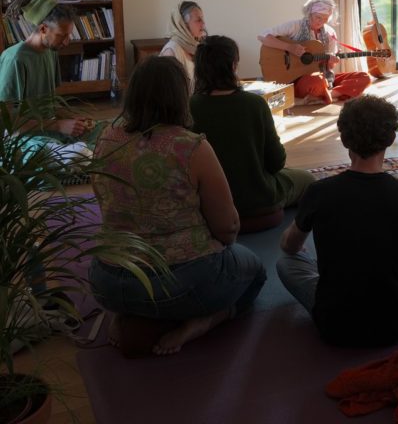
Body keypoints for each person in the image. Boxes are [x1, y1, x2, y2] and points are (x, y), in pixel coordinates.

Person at [88, 56, 266, 355]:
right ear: (180, 96)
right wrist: (219, 248)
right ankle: (205, 321)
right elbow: (228, 227)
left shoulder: (105, 137)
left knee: (140, 295)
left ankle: (124, 315)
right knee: (255, 272)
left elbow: (103, 200)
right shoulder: (191, 147)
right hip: (181, 283)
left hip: (107, 281)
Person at [276, 94, 398, 347]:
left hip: (333, 323)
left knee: (285, 262)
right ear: (391, 138)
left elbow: (289, 246)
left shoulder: (319, 192)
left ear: (344, 138)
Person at [190, 35, 316, 229]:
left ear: (198, 68)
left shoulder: (190, 107)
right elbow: (277, 162)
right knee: (308, 180)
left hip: (212, 210)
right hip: (261, 205)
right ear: (233, 66)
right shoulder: (255, 104)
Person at [0, 0, 97, 160]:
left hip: (50, 131)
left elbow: (49, 105)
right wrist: (58, 126)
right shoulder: (15, 59)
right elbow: (8, 122)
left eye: (68, 35)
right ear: (43, 29)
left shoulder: (50, 52)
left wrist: (72, 121)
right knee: (79, 155)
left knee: (107, 132)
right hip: (25, 139)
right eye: (62, 35)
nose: (66, 42)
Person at [258, 0, 371, 104]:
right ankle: (326, 93)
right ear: (310, 13)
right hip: (299, 80)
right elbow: (262, 36)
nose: (321, 22)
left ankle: (328, 94)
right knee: (317, 82)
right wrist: (289, 47)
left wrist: (331, 62)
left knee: (364, 77)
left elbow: (329, 67)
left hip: (323, 76)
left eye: (325, 18)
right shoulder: (295, 26)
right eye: (318, 17)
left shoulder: (330, 33)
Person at [159, 0, 207, 85]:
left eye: (202, 19)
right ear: (183, 24)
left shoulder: (195, 46)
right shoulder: (171, 52)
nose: (203, 24)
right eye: (198, 20)